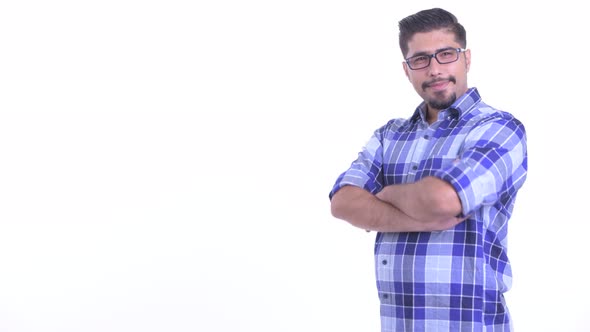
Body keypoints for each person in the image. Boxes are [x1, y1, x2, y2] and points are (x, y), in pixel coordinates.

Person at [328, 7, 528, 332]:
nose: (434, 69)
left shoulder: (499, 129)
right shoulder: (389, 134)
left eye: (446, 54)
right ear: (407, 70)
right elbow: (342, 203)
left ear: (467, 59)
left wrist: (384, 195)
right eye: (420, 59)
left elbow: (444, 202)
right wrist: (419, 214)